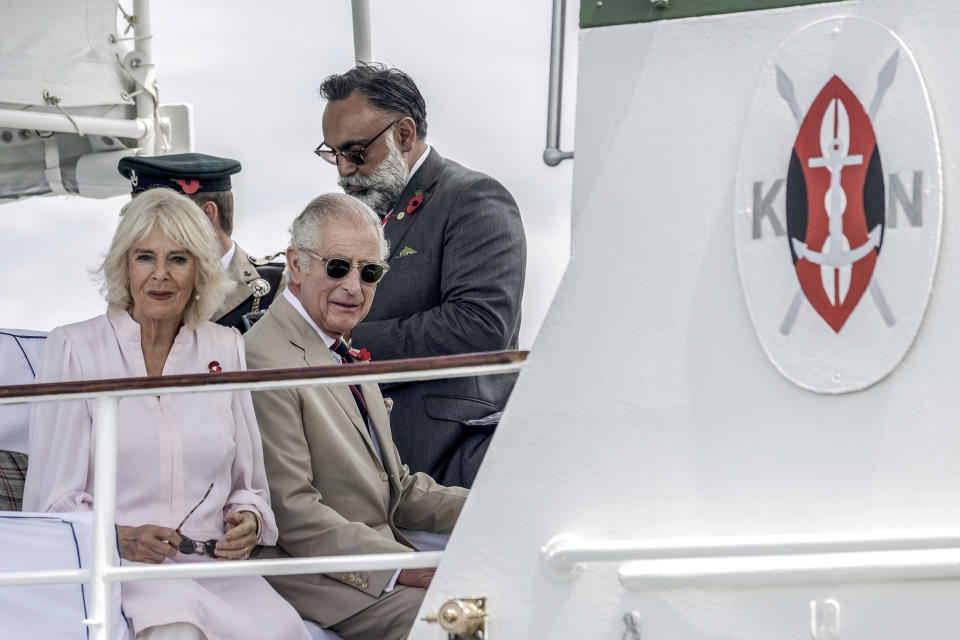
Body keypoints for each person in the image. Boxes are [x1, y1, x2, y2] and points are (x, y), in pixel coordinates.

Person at [22, 188, 310, 640]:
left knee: (285, 632)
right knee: (177, 632)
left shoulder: (224, 346)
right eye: (144, 258)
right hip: (125, 567)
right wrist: (122, 537)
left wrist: (249, 520)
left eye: (178, 259)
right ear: (123, 265)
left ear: (199, 271)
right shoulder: (75, 348)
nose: (161, 276)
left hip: (218, 570)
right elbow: (52, 501)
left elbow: (248, 482)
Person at [244, 193, 468, 640]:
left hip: (374, 560)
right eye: (338, 266)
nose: (354, 286)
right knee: (472, 623)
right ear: (296, 263)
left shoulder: (339, 348)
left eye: (369, 272)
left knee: (510, 596)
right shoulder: (264, 362)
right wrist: (401, 567)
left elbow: (398, 491)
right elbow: (294, 515)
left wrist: (495, 507)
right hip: (321, 580)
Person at [316, 64, 527, 488]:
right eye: (333, 154)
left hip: (447, 460)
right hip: (370, 469)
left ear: (405, 135)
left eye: (356, 153)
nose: (343, 170)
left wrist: (344, 346)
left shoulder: (473, 199)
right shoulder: (371, 216)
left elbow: (479, 327)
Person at [118, 153, 285, 333]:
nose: (144, 229)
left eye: (163, 217)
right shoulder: (135, 292)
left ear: (206, 215)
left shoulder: (280, 289)